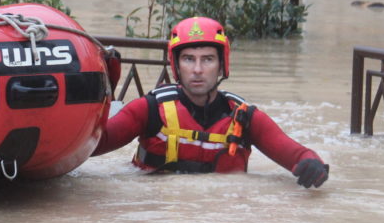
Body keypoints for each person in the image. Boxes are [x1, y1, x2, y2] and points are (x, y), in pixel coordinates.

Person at [93, 16, 329, 188]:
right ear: (175, 65)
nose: (197, 70)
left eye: (207, 59)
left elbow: (297, 155)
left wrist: (313, 166)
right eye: (188, 59)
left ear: (221, 65)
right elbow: (91, 145)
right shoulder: (149, 109)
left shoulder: (245, 117)